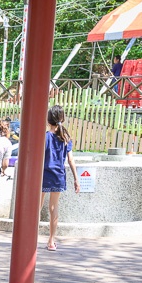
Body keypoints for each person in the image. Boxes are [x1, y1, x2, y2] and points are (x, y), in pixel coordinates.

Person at [41, 105, 80, 252]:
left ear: (48, 119)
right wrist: (76, 179)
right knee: (54, 208)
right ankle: (51, 241)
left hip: (44, 174)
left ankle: (32, 237)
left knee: (37, 207)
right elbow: (71, 160)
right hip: (58, 176)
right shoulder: (66, 137)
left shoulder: (45, 137)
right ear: (62, 118)